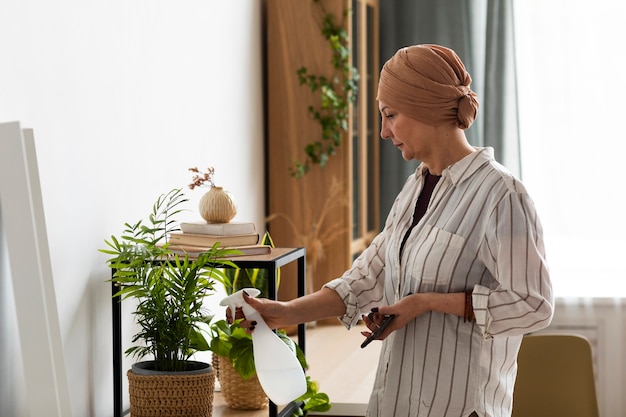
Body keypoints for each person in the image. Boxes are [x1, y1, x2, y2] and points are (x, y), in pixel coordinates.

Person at [232, 44, 554, 417]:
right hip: (395, 402)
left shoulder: (502, 195)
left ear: (426, 107)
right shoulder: (414, 189)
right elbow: (364, 279)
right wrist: (283, 312)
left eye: (390, 115)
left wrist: (428, 302)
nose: (384, 131)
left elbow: (533, 306)